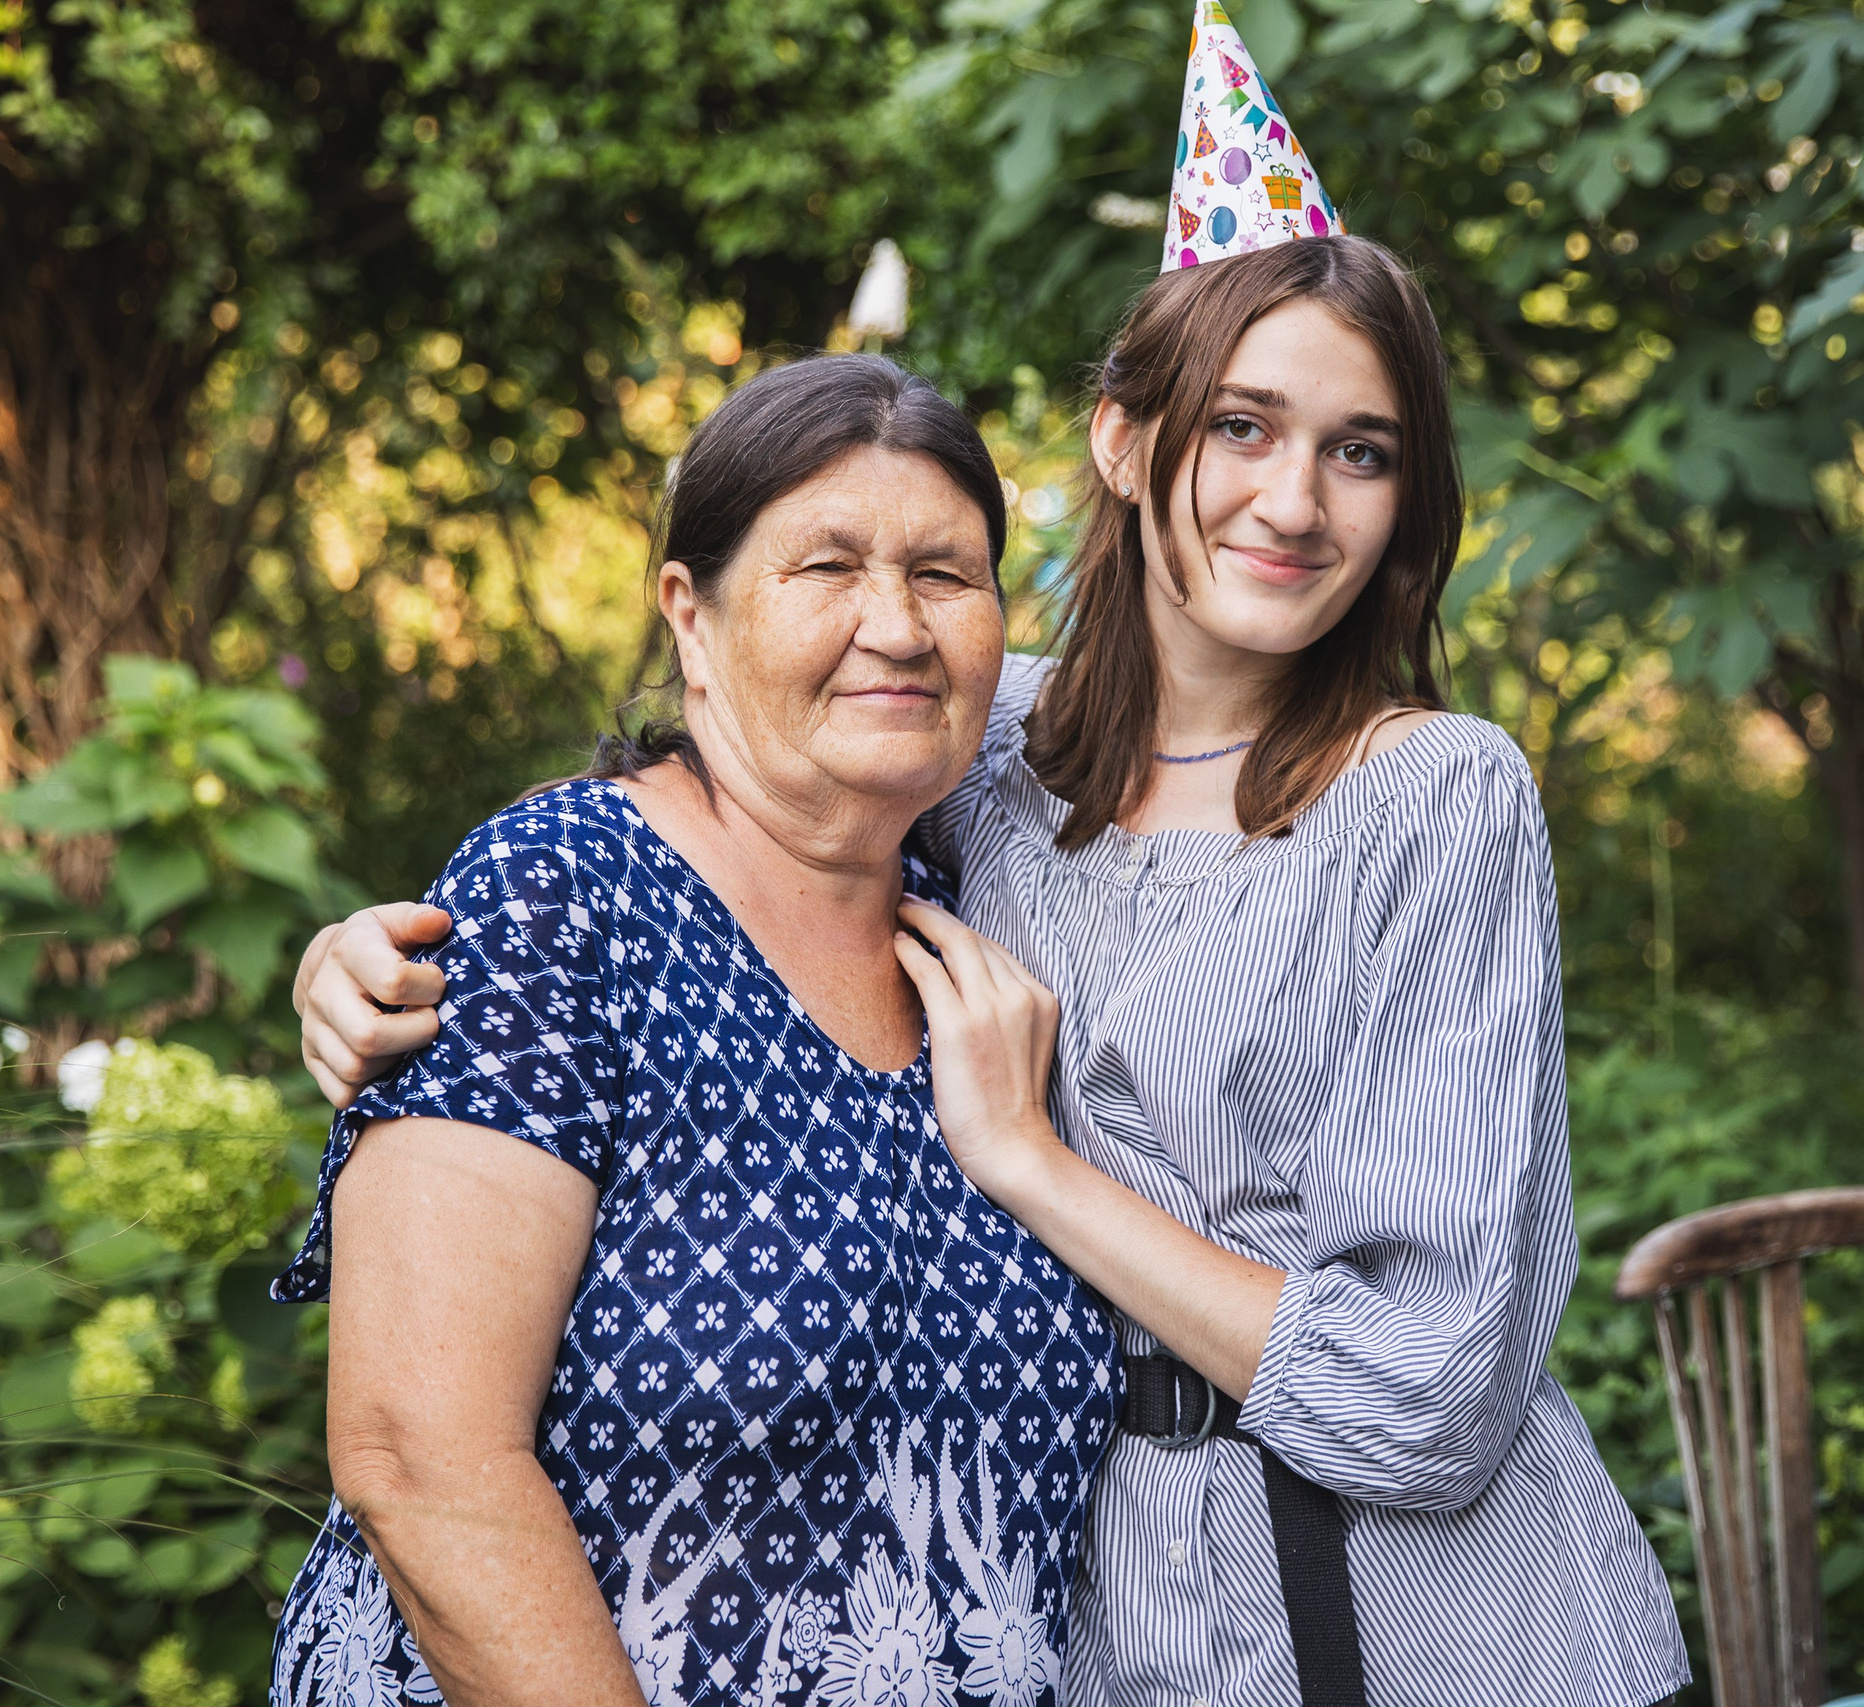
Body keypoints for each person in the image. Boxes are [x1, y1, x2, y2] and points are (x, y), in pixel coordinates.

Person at [295, 6, 1690, 1704]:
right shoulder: (982, 744)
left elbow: (1427, 1402)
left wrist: (1033, 1166)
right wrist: (382, 951)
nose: (1294, 499)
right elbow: (722, 789)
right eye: (1242, 425)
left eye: (1361, 452)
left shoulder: (1434, 798)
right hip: (1117, 1634)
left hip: (1416, 1631)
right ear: (1123, 437)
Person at [266, 355, 1122, 1707]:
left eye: (947, 576)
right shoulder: (561, 898)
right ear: (692, 614)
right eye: (825, 567)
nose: (895, 625)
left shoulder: (995, 933)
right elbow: (419, 1458)